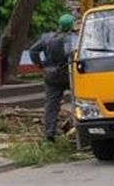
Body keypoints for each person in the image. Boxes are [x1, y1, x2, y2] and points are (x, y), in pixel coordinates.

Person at [29, 13, 76, 142]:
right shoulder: (69, 38)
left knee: (51, 104)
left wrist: (40, 64)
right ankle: (78, 127)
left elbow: (33, 50)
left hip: (50, 75)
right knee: (78, 99)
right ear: (70, 25)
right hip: (68, 74)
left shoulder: (46, 38)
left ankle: (49, 132)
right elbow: (69, 53)